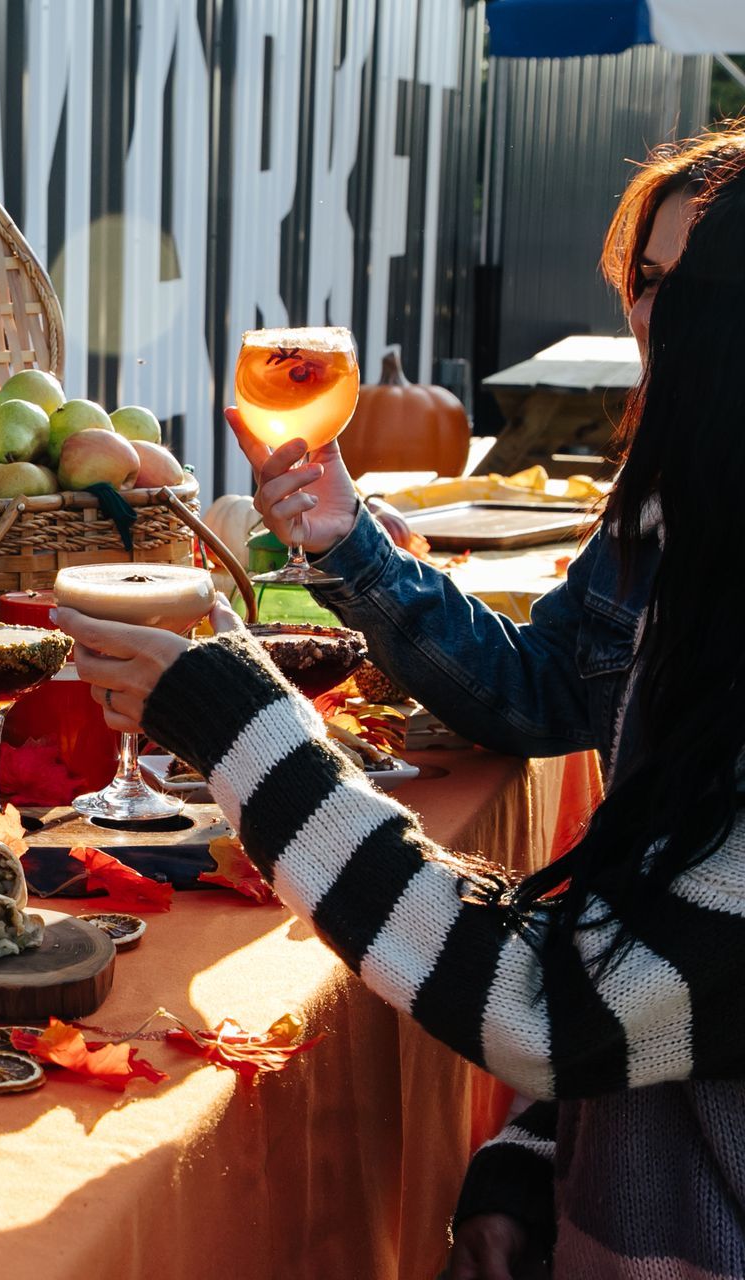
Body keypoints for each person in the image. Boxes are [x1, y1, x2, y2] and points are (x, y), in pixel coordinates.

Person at [63, 131, 745, 1279]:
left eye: (690, 296)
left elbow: (552, 1004)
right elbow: (651, 969)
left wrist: (238, 715)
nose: (650, 322)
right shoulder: (692, 530)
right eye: (645, 284)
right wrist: (531, 1157)